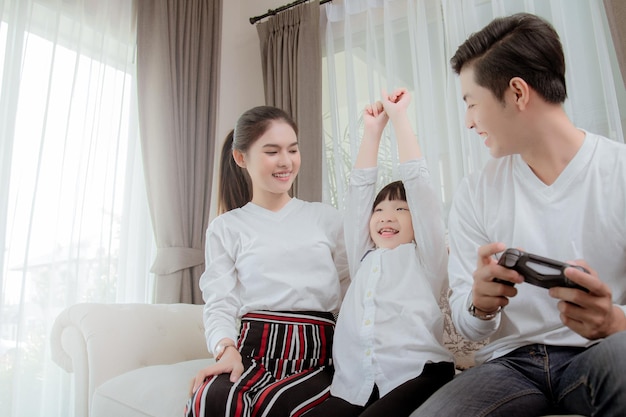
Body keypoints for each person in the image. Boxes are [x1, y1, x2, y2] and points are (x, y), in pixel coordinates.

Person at [410, 12, 626, 417]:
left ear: (517, 93)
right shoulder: (476, 191)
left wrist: (614, 320)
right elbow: (469, 327)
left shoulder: (619, 172)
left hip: (602, 351)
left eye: (472, 103)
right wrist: (480, 304)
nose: (468, 121)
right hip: (512, 365)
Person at [185, 105, 350, 417]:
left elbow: (349, 291)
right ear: (241, 158)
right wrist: (226, 349)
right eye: (272, 151)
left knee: (276, 406)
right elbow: (219, 302)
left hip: (316, 356)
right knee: (209, 399)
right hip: (250, 352)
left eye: (292, 150)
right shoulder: (226, 227)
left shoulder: (326, 219)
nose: (285, 161)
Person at [305, 88, 454, 417]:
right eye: (381, 210)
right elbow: (359, 194)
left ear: (418, 223)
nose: (387, 215)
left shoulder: (426, 258)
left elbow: (421, 189)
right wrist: (372, 132)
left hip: (420, 372)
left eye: (401, 209)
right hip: (354, 384)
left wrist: (398, 118)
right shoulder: (362, 257)